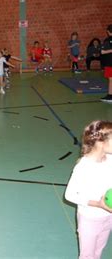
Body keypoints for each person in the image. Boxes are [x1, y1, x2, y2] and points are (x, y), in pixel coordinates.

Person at [65, 120, 112, 259]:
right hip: (90, 218)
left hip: (108, 216)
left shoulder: (110, 158)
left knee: (98, 251)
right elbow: (70, 194)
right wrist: (97, 204)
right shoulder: (84, 167)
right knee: (88, 255)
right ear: (101, 143)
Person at [100, 25, 112, 103]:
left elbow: (102, 51)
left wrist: (108, 51)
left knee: (110, 79)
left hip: (110, 62)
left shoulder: (107, 40)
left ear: (108, 31)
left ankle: (110, 96)